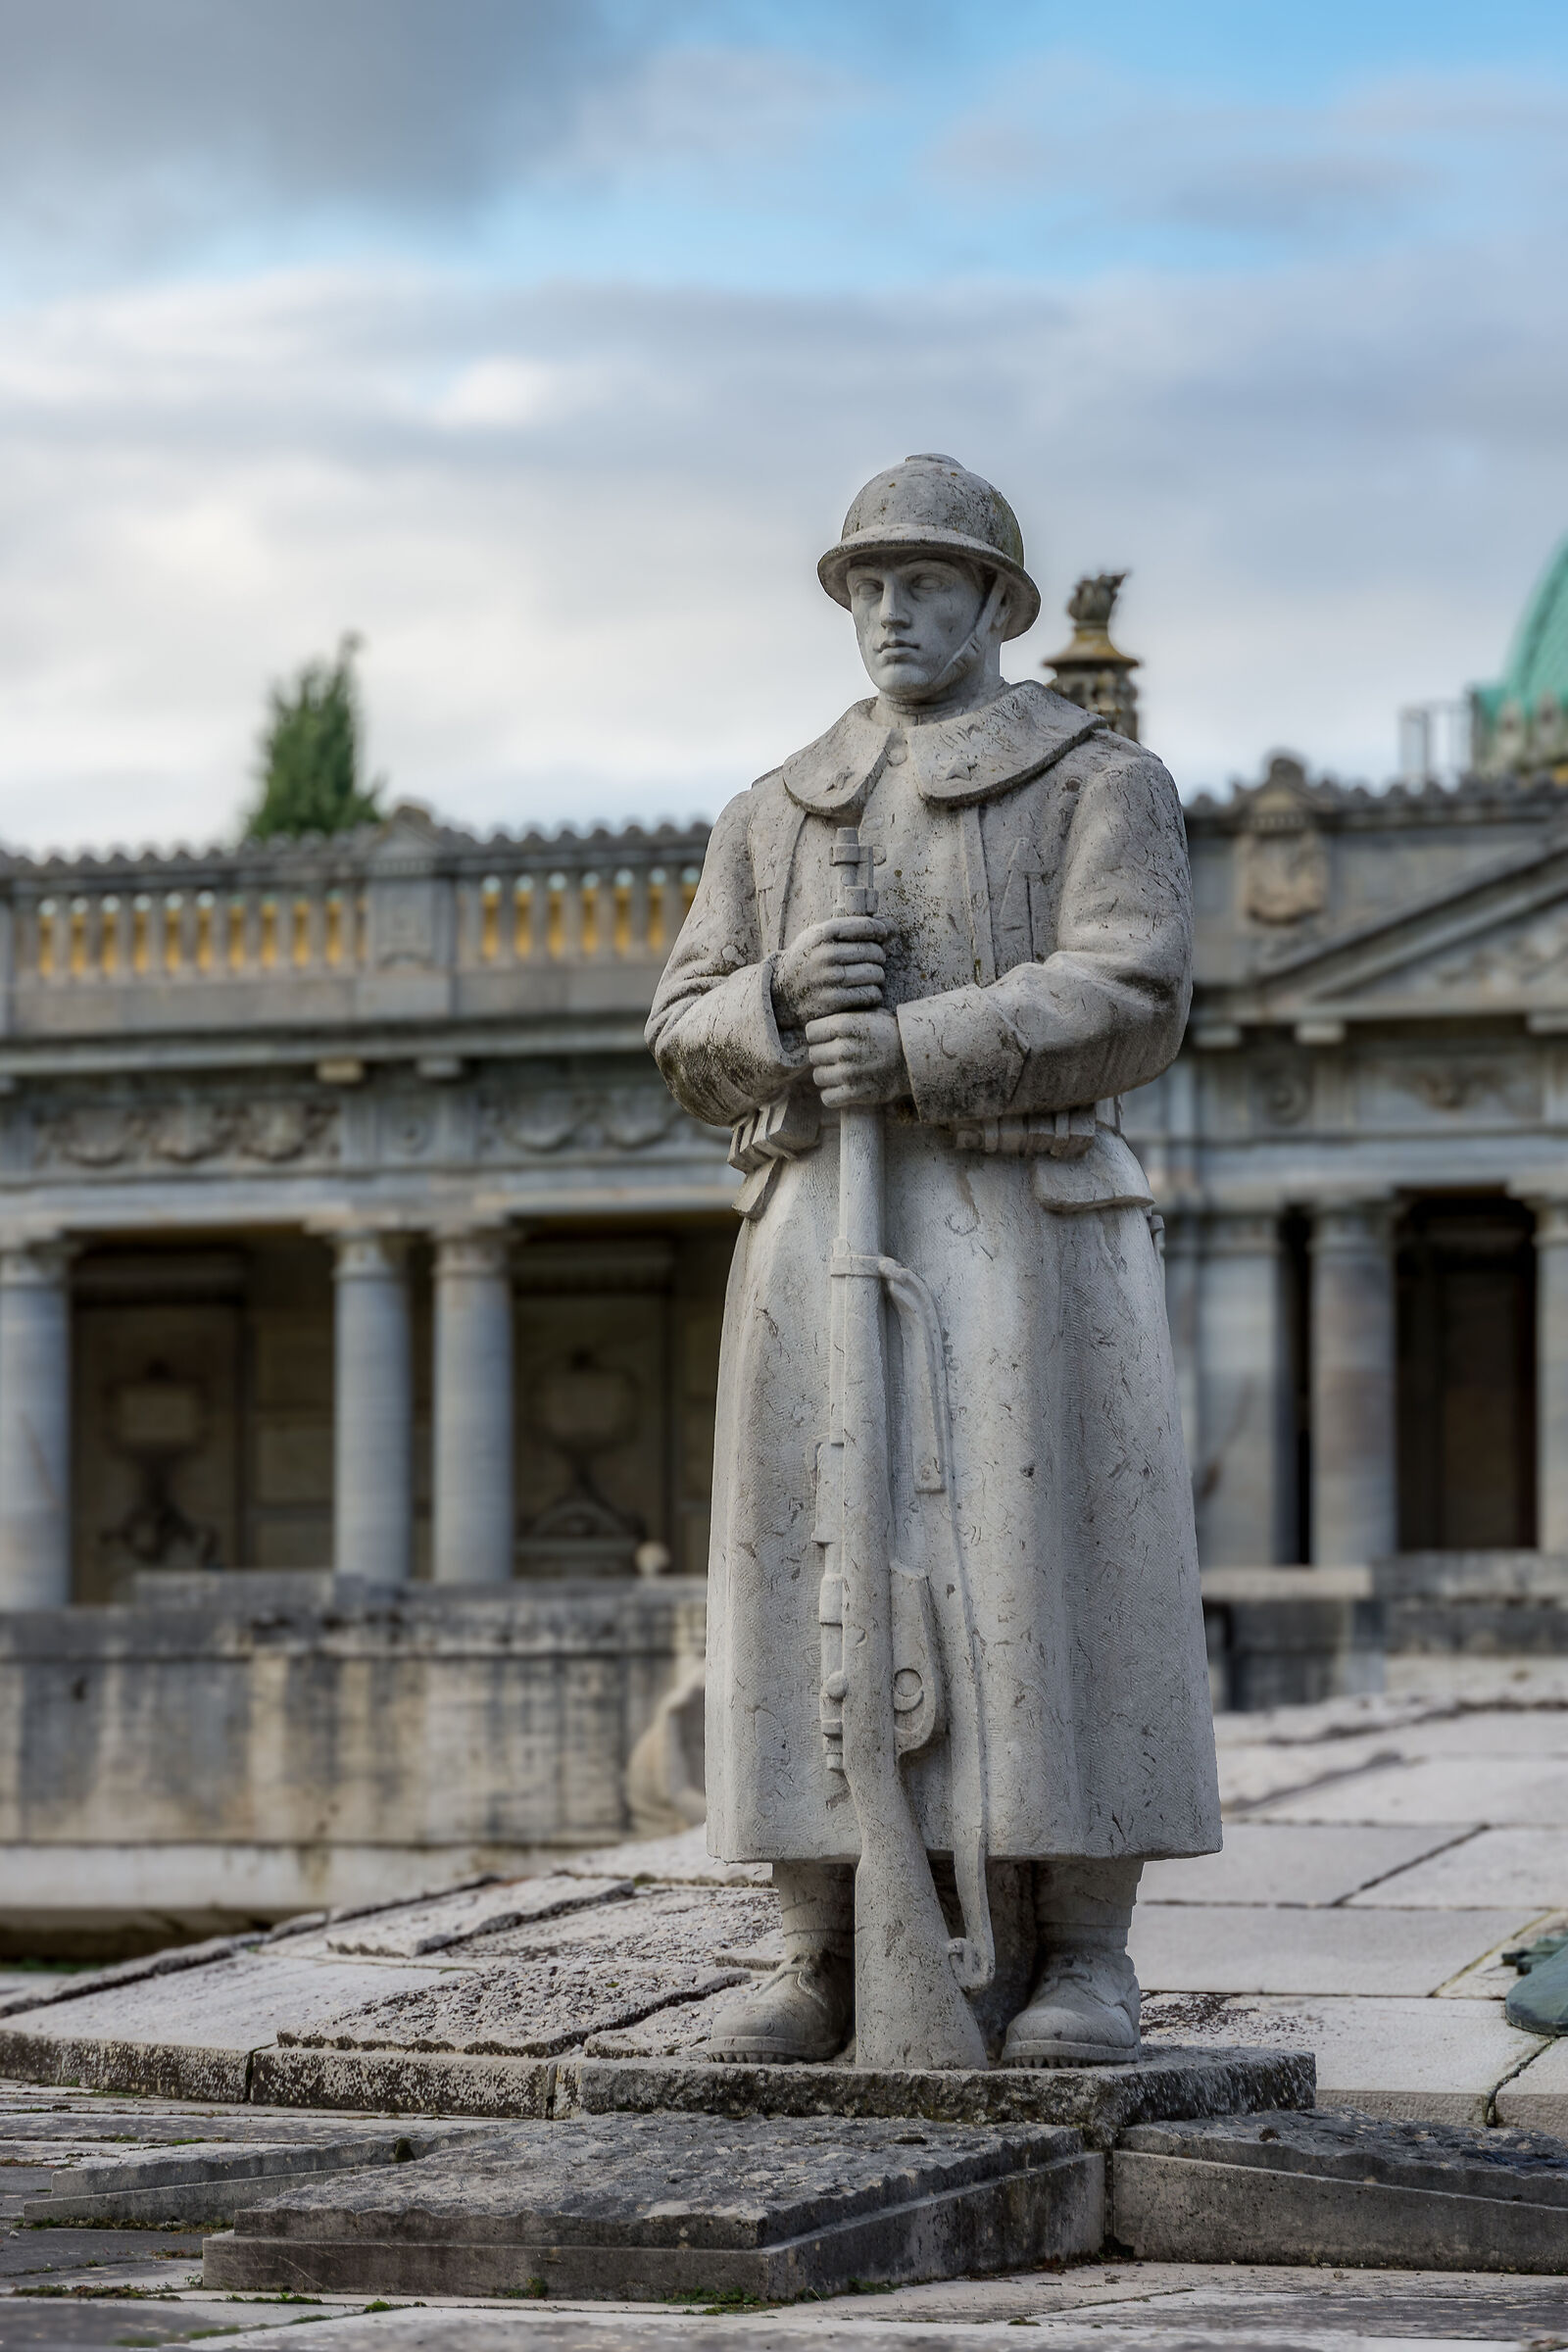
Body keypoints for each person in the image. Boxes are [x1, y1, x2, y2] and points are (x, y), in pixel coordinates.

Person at [646, 455, 1220, 2066]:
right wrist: (772, 1004)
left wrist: (912, 1042)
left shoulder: (1100, 782)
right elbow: (682, 1026)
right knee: (805, 1577)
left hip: (1024, 1235)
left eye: (928, 586)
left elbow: (1131, 991)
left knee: (1059, 1573)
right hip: (825, 1223)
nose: (894, 616)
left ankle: (1086, 1955)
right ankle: (818, 1942)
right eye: (869, 589)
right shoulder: (775, 808)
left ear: (994, 606)